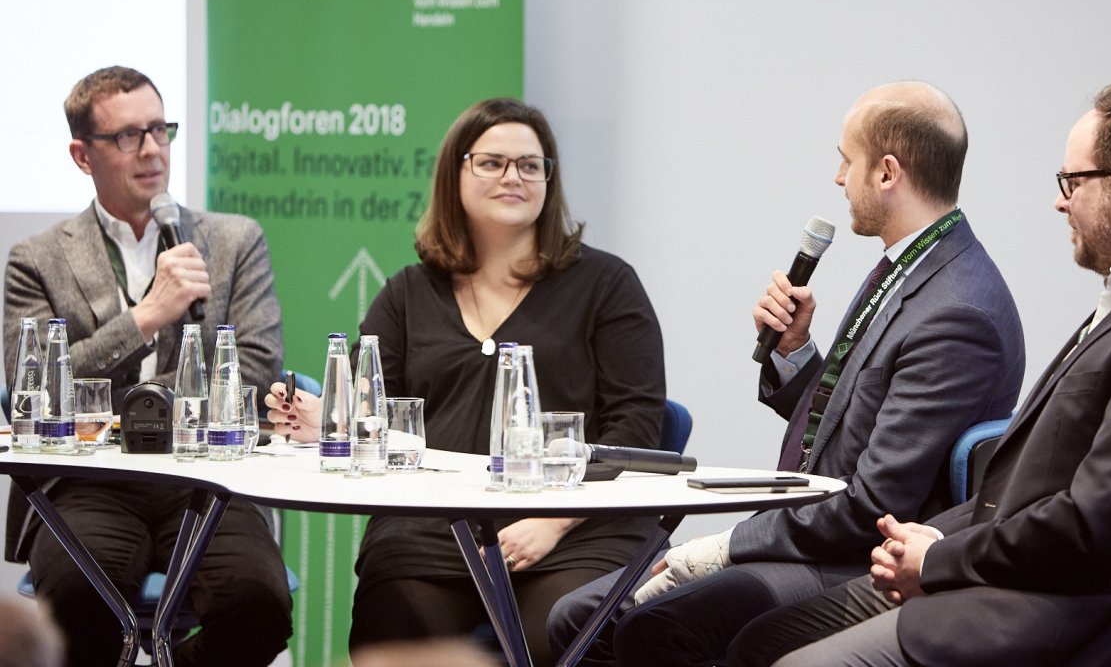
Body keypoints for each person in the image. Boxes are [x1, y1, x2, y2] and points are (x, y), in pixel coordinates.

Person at [726, 82, 1111, 667]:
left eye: (1072, 183)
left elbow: (1089, 525)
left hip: (1052, 612)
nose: (1061, 203)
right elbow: (1030, 485)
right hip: (1001, 570)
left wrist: (938, 560)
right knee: (759, 639)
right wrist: (935, 541)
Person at [547, 81, 1025, 666]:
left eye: (846, 160)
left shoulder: (956, 311)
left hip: (856, 558)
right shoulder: (913, 268)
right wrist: (795, 352)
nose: (837, 178)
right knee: (578, 615)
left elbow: (871, 505)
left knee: (651, 625)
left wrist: (725, 547)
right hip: (811, 532)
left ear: (887, 172)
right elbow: (850, 422)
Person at [264, 97, 666, 666]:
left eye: (531, 165)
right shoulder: (407, 293)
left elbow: (639, 426)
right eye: (492, 162)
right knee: (393, 638)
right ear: (456, 173)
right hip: (430, 528)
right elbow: (365, 409)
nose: (514, 176)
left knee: (562, 634)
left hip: (576, 526)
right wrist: (318, 422)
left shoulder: (607, 285)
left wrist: (552, 523)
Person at [3, 66, 292, 666]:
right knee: (79, 604)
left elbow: (260, 370)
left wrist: (157, 396)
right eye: (128, 136)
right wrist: (145, 318)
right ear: (83, 156)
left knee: (257, 605)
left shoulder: (234, 241)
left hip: (209, 479)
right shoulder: (36, 259)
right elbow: (31, 390)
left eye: (160, 130)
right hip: (91, 480)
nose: (153, 150)